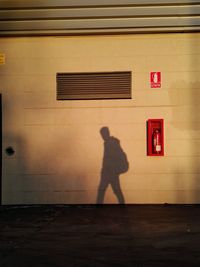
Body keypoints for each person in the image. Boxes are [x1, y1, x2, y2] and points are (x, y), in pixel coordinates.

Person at [96, 127, 127, 204]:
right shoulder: (112, 142)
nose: (102, 137)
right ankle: (123, 209)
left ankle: (98, 212)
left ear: (105, 134)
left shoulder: (109, 143)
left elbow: (108, 159)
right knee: (117, 192)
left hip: (109, 172)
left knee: (101, 191)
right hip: (112, 172)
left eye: (102, 135)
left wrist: (105, 170)